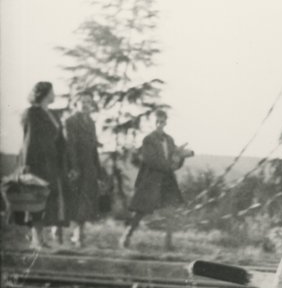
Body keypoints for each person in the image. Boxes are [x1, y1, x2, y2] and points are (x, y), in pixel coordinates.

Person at [121, 110, 192, 249]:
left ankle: (168, 243)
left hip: (167, 180)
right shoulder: (148, 139)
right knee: (141, 211)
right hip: (151, 180)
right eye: (157, 121)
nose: (160, 124)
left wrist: (181, 156)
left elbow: (174, 159)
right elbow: (150, 160)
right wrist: (170, 163)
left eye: (162, 121)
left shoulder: (170, 140)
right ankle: (126, 237)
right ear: (154, 123)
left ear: (166, 122)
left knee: (170, 211)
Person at [16, 81, 67, 248]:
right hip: (36, 163)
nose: (54, 95)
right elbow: (28, 142)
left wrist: (62, 162)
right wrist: (27, 166)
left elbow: (59, 140)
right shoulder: (32, 113)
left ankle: (41, 238)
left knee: (50, 200)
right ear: (44, 93)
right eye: (52, 92)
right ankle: (38, 239)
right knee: (36, 200)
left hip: (51, 163)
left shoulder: (52, 114)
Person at [63, 94, 106, 247]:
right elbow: (71, 146)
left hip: (89, 168)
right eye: (83, 102)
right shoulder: (71, 121)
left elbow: (93, 149)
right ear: (76, 104)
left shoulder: (91, 123)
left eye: (89, 102)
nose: (86, 105)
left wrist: (98, 172)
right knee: (74, 202)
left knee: (86, 203)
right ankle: (68, 234)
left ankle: (79, 235)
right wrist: (74, 168)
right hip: (75, 167)